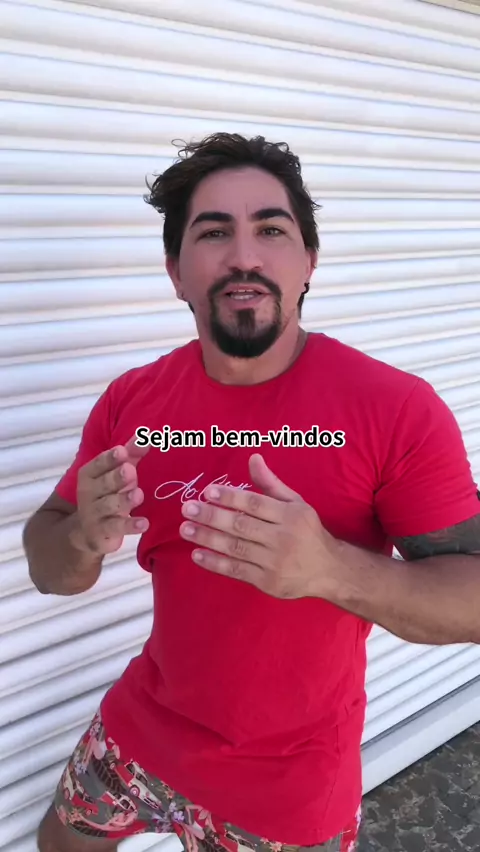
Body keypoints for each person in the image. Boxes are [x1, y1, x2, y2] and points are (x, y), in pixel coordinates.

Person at [23, 133, 480, 852]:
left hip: (287, 790)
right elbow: (51, 569)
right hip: (141, 730)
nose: (244, 256)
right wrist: (81, 533)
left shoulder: (395, 410)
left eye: (271, 229)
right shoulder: (133, 402)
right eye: (213, 233)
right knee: (61, 841)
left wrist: (332, 569)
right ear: (175, 272)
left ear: (309, 262)